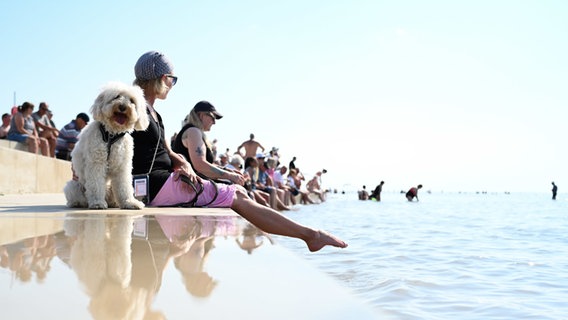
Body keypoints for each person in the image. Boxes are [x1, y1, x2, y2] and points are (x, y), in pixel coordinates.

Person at [130, 51, 346, 252]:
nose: (172, 84)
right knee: (237, 195)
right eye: (171, 78)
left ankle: (307, 234)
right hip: (154, 186)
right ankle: (310, 235)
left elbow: (166, 151)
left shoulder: (154, 113)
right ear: (159, 77)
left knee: (240, 193)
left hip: (163, 182)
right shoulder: (131, 106)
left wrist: (183, 163)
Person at [171, 101, 246, 186]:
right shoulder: (193, 132)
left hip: (192, 182)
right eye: (213, 117)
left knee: (245, 192)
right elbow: (200, 165)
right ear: (201, 115)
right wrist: (229, 176)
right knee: (239, 192)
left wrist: (227, 170)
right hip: (188, 185)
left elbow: (203, 164)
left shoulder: (194, 131)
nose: (214, 122)